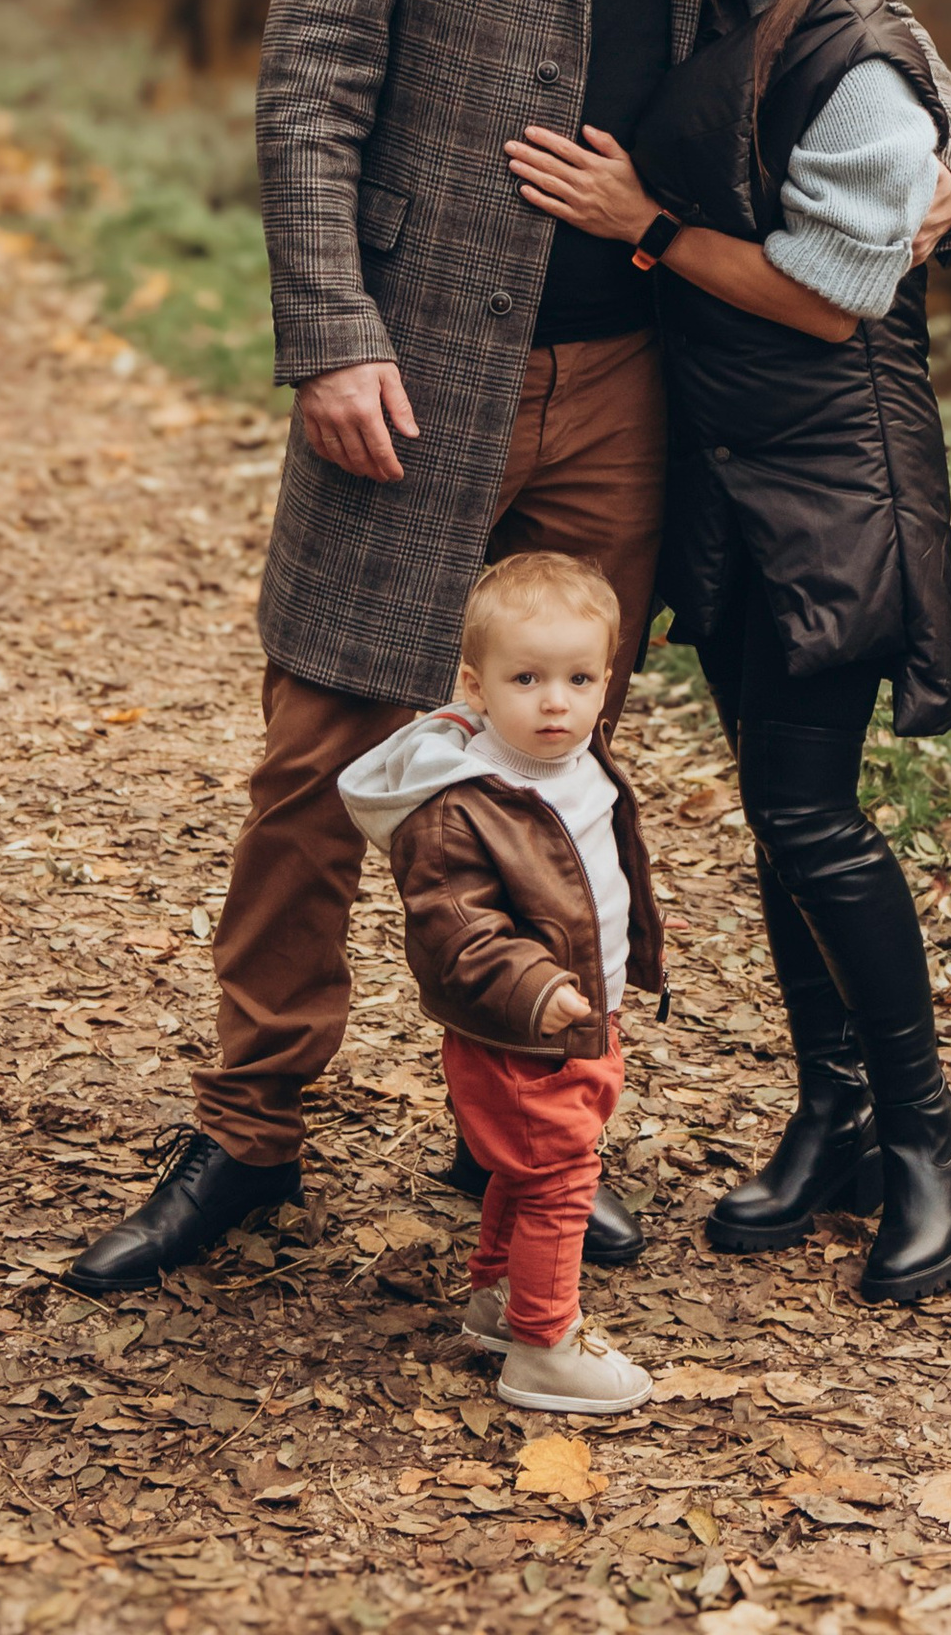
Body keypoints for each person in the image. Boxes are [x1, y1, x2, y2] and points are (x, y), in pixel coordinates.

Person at [67, 0, 951, 1295]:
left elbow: (901, 48)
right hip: (413, 371)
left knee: (562, 773)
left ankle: (540, 1135)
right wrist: (331, 332)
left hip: (626, 388)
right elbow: (310, 75)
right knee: (319, 763)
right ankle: (250, 1132)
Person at [505, 0, 951, 1310]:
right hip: (735, 467)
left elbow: (834, 291)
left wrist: (640, 227)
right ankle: (836, 1113)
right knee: (793, 811)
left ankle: (931, 1138)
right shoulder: (731, 12)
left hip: (833, 475)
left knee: (811, 817)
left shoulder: (854, 53)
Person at [340, 551, 661, 1416]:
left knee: (523, 1171)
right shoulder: (460, 801)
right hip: (523, 1026)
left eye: (579, 678)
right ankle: (545, 1345)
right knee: (561, 1176)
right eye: (527, 678)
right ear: (477, 689)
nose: (556, 701)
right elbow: (456, 928)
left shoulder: (576, 758)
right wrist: (535, 988)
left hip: (581, 1016)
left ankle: (496, 1297)